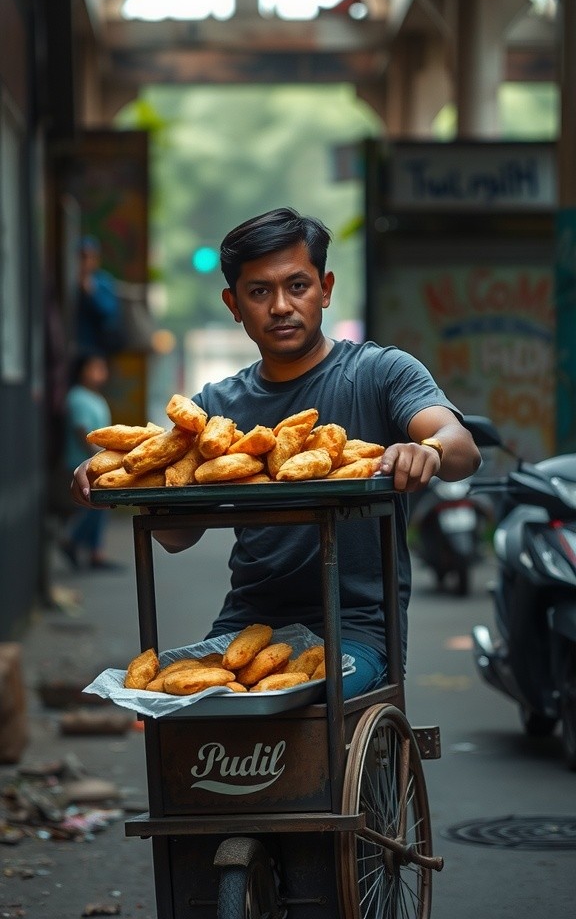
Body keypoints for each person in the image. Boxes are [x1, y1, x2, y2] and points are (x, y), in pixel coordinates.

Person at [72, 207, 481, 694]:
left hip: (355, 631)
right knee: (188, 715)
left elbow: (462, 448)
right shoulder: (213, 413)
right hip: (247, 622)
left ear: (325, 289)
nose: (281, 306)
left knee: (289, 702)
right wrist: (115, 477)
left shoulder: (380, 373)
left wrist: (429, 450)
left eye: (298, 286)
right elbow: (177, 536)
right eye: (259, 291)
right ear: (234, 304)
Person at [62, 353, 123, 570]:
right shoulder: (78, 397)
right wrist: (100, 459)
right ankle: (75, 542)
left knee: (98, 509)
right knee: (93, 506)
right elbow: (82, 431)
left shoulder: (95, 397)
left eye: (101, 368)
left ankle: (91, 550)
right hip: (83, 463)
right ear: (81, 371)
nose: (99, 374)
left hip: (97, 462)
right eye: (93, 368)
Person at [76, 235, 124, 356]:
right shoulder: (69, 281)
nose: (85, 262)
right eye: (82, 257)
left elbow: (110, 313)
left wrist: (92, 293)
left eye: (89, 257)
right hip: (75, 345)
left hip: (97, 348)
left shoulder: (103, 281)